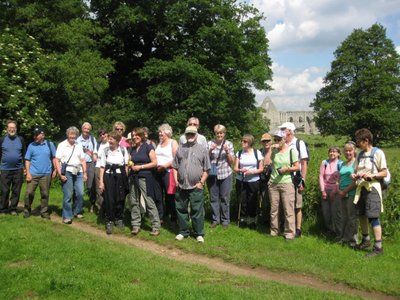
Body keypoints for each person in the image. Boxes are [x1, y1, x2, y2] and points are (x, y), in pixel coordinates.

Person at [352, 128, 387, 257]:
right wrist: (355, 175)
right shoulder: (360, 155)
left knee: (373, 216)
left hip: (373, 188)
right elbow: (356, 170)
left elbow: (384, 172)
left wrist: (372, 175)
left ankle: (378, 247)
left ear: (366, 141)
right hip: (361, 188)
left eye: (359, 141)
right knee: (361, 214)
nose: (357, 143)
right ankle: (366, 240)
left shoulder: (378, 153)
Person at [173, 126, 210, 242]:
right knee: (181, 209)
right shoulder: (180, 148)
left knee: (197, 210)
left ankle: (199, 233)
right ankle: (183, 232)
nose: (190, 136)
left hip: (196, 186)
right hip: (182, 185)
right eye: (188, 134)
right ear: (185, 135)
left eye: (192, 134)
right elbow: (174, 167)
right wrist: (175, 181)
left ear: (196, 135)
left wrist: (201, 182)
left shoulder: (203, 149)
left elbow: (207, 169)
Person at [268, 130, 300, 240]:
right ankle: (274, 231)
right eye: (275, 139)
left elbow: (297, 167)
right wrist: (270, 150)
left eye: (279, 139)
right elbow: (266, 162)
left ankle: (289, 233)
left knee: (288, 209)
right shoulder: (274, 152)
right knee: (274, 209)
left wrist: (287, 169)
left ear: (284, 139)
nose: (276, 141)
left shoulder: (292, 151)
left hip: (287, 183)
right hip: (273, 183)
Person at [129, 127, 161, 236]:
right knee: (134, 201)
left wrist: (140, 167)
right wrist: (131, 164)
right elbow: (130, 160)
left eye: (136, 135)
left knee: (149, 201)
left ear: (142, 135)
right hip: (133, 177)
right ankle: (136, 225)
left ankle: (156, 226)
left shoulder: (148, 147)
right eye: (133, 135)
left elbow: (154, 163)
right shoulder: (133, 148)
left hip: (145, 177)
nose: (134, 137)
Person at [279, 122, 308, 237]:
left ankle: (298, 229)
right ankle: (287, 227)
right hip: (284, 178)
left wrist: (303, 180)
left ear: (289, 131)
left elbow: (304, 163)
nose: (281, 132)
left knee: (297, 205)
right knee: (286, 204)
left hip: (296, 178)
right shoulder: (282, 144)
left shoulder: (299, 143)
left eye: (283, 129)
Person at [99, 131, 129, 234]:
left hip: (120, 176)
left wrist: (126, 179)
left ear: (117, 140)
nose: (109, 141)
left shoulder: (123, 150)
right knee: (109, 198)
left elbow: (126, 166)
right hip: (109, 176)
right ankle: (109, 220)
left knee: (120, 197)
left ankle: (119, 218)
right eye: (109, 139)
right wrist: (101, 182)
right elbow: (102, 167)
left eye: (111, 139)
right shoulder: (105, 150)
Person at [55, 126, 87, 224]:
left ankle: (77, 211)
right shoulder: (62, 145)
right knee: (68, 194)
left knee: (80, 193)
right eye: (71, 136)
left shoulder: (79, 145)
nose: (73, 138)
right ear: (67, 135)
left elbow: (82, 160)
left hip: (78, 171)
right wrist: (60, 173)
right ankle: (67, 216)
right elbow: (57, 160)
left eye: (74, 136)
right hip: (67, 170)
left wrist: (85, 173)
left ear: (77, 136)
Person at [23, 127, 57, 219]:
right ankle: (27, 210)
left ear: (43, 135)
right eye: (34, 135)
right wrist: (28, 173)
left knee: (45, 194)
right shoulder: (31, 145)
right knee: (29, 193)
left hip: (46, 174)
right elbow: (27, 160)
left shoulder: (50, 145)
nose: (34, 137)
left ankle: (44, 212)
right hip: (33, 173)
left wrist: (55, 170)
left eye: (36, 135)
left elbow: (54, 158)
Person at [207, 124, 234, 228]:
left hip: (225, 174)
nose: (219, 135)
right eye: (217, 133)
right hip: (212, 174)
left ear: (224, 133)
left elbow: (231, 161)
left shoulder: (229, 144)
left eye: (221, 133)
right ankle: (215, 220)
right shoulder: (209, 143)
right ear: (215, 133)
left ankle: (225, 221)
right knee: (213, 198)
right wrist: (210, 150)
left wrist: (227, 152)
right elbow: (205, 159)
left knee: (225, 198)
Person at [234, 134, 263, 229]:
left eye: (245, 141)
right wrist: (240, 170)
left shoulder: (257, 153)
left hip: (253, 180)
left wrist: (252, 172)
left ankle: (252, 220)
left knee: (252, 201)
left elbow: (261, 168)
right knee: (242, 200)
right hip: (241, 179)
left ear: (250, 143)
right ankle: (243, 219)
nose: (242, 142)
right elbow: (235, 168)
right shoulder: (239, 153)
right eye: (242, 141)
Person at [0, 120, 26, 215]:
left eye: (13, 127)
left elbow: (24, 154)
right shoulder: (2, 140)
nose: (12, 129)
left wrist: (25, 168)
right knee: (4, 190)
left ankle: (13, 209)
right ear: (7, 129)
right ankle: (3, 209)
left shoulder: (21, 139)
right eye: (10, 127)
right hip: (5, 169)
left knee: (16, 190)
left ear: (16, 129)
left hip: (18, 169)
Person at [154, 123, 179, 223]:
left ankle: (174, 217)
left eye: (162, 132)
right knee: (158, 195)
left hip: (168, 172)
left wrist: (165, 166)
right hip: (157, 172)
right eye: (159, 132)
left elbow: (176, 159)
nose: (160, 134)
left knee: (170, 196)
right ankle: (161, 216)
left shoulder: (173, 142)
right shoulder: (159, 144)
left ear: (167, 133)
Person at [319, 146, 342, 238]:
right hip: (325, 189)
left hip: (336, 190)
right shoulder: (324, 163)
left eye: (334, 152)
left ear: (338, 154)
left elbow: (340, 179)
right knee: (326, 211)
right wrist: (322, 190)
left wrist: (334, 191)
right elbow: (321, 176)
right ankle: (330, 229)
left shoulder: (340, 164)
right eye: (331, 151)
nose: (332, 153)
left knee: (335, 211)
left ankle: (338, 231)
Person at [337, 142, 358, 248]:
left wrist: (344, 191)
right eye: (346, 150)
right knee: (343, 217)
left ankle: (353, 240)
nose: (348, 152)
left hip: (351, 193)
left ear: (354, 151)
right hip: (341, 194)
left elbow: (355, 181)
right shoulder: (342, 164)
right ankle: (344, 237)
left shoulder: (356, 164)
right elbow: (338, 178)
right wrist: (338, 190)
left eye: (350, 150)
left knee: (352, 217)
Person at [77, 122, 97, 210]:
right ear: (82, 129)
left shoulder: (93, 139)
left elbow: (95, 151)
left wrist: (95, 156)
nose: (86, 130)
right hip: (79, 164)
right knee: (78, 185)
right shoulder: (77, 140)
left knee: (91, 185)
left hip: (91, 164)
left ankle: (92, 203)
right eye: (85, 128)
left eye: (88, 129)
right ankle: (77, 204)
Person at [93, 128, 109, 215]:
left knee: (108, 189)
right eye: (100, 134)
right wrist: (94, 156)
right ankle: (100, 209)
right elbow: (95, 154)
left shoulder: (110, 143)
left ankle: (108, 208)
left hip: (108, 168)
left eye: (104, 133)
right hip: (98, 168)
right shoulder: (98, 145)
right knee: (99, 189)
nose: (103, 136)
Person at [259, 133, 273, 224]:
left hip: (273, 178)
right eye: (264, 141)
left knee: (273, 200)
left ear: (271, 141)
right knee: (264, 200)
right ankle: (265, 220)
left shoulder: (275, 151)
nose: (266, 142)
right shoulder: (260, 152)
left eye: (268, 140)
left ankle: (273, 221)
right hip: (262, 178)